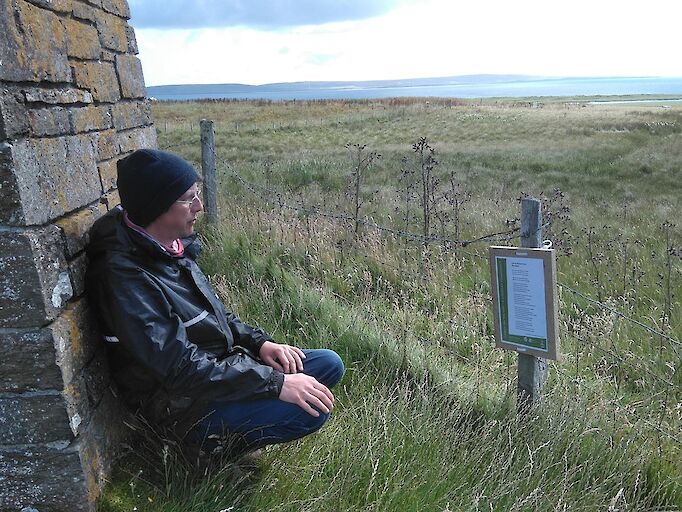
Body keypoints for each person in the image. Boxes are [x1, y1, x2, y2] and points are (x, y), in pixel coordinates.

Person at [85, 149, 344, 455]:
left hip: (217, 369)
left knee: (327, 363)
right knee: (308, 412)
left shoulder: (167, 248)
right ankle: (204, 451)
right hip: (181, 404)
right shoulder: (124, 277)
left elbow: (213, 315)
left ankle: (240, 420)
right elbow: (178, 368)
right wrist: (274, 383)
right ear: (156, 206)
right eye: (188, 199)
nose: (200, 206)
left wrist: (260, 344)